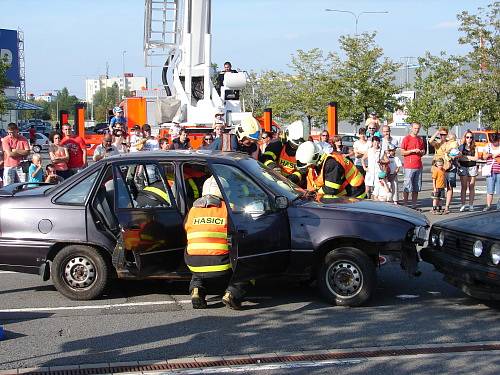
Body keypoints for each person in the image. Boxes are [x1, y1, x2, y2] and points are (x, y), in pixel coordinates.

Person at [184, 176, 246, 310]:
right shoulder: (230, 209)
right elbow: (243, 230)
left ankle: (196, 290)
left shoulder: (193, 210)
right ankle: (232, 293)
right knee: (248, 263)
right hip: (221, 265)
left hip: (193, 265)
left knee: (197, 251)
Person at [296, 141, 366, 201]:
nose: (309, 168)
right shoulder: (321, 162)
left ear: (314, 158)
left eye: (309, 165)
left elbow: (330, 189)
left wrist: (314, 193)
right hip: (347, 194)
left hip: (355, 195)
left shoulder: (331, 163)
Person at [260, 120, 305, 184]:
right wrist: (273, 167)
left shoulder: (304, 151)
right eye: (294, 144)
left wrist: (293, 178)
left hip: (292, 185)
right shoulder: (277, 145)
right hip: (273, 180)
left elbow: (303, 170)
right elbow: (265, 158)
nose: (295, 147)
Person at [400, 123, 425, 210]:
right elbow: (402, 152)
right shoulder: (406, 138)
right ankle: (406, 205)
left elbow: (423, 151)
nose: (416, 130)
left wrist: (421, 152)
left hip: (418, 165)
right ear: (411, 128)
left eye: (418, 128)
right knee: (407, 186)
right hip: (409, 166)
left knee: (416, 186)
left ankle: (414, 205)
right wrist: (412, 151)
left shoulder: (420, 139)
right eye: (415, 128)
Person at [458, 130, 479, 212]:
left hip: (472, 167)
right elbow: (459, 157)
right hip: (463, 167)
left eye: (471, 137)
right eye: (467, 137)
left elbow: (476, 158)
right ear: (465, 138)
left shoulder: (475, 147)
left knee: (471, 186)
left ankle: (471, 205)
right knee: (464, 187)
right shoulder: (461, 147)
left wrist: (467, 157)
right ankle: (463, 204)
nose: (469, 139)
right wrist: (470, 157)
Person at [482, 132, 500, 211]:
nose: (493, 143)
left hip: (499, 170)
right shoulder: (487, 146)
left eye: (495, 142)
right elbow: (484, 157)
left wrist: (496, 155)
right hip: (490, 171)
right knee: (490, 189)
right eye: (492, 142)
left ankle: (499, 205)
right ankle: (488, 205)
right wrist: (488, 155)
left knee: (499, 189)